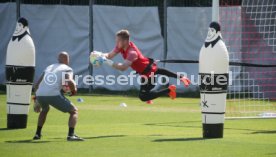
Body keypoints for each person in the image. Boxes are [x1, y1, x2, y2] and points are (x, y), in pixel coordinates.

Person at [94, 29, 191, 101]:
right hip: (144, 74)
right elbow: (110, 55)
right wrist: (101, 55)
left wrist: (106, 61)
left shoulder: (132, 53)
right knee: (146, 92)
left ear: (124, 41)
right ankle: (164, 92)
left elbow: (123, 68)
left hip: (149, 75)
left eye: (117, 40)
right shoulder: (120, 47)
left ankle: (169, 90)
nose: (116, 42)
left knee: (143, 96)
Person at [33, 51, 83, 141]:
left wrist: (36, 100)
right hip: (53, 94)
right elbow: (70, 81)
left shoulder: (49, 67)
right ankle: (71, 135)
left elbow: (36, 85)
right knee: (74, 111)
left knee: (44, 110)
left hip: (40, 94)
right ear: (67, 59)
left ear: (58, 59)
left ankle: (37, 134)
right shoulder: (67, 68)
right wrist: (73, 90)